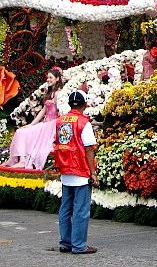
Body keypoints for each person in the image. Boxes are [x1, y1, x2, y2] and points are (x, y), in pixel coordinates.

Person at [54, 90, 98, 254]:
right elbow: (89, 149)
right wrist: (93, 173)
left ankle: (66, 243)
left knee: (65, 209)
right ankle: (79, 245)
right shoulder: (83, 122)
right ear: (84, 104)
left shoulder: (60, 121)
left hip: (65, 171)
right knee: (80, 210)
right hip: (80, 170)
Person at [4, 68, 63, 169]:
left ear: (57, 79)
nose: (48, 79)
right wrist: (31, 124)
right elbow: (43, 111)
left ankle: (23, 161)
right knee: (20, 131)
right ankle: (20, 160)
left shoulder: (58, 94)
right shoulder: (49, 93)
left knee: (23, 133)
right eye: (47, 77)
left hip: (52, 125)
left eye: (50, 77)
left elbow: (60, 112)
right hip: (45, 123)